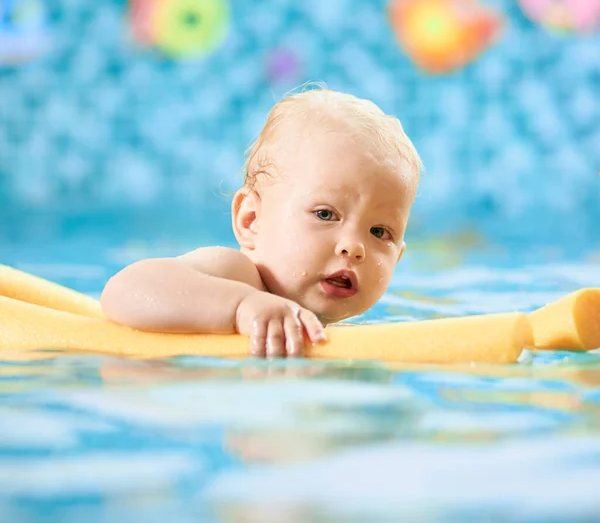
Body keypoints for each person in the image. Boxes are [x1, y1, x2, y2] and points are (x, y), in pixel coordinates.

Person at [101, 87, 422, 358]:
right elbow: (125, 290)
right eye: (325, 214)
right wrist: (241, 307)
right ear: (251, 220)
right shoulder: (239, 277)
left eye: (380, 232)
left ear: (399, 256)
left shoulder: (336, 328)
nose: (354, 247)